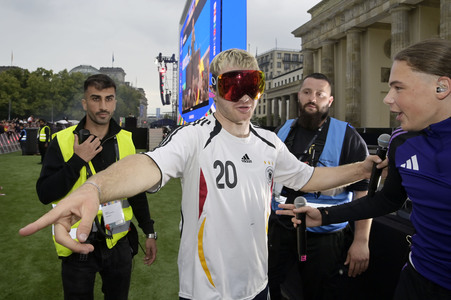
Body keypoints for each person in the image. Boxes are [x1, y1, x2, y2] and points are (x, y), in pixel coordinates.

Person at [20, 49, 381, 300]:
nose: (246, 98)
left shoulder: (269, 142)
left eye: (252, 85)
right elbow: (149, 165)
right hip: (208, 290)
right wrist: (96, 187)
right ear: (213, 91)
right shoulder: (194, 136)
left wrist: (363, 168)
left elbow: (309, 178)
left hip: (257, 283)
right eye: (232, 87)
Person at [277, 38, 451, 300]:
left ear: (442, 87)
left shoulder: (347, 135)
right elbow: (387, 200)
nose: (388, 99)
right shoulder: (402, 142)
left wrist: (360, 240)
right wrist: (324, 215)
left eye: (398, 88)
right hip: (417, 279)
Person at [35, 74, 157, 300]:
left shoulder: (126, 140)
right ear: (84, 103)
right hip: (77, 243)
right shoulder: (62, 141)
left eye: (109, 99)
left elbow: (137, 192)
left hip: (118, 238)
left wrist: (149, 231)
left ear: (115, 102)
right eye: (96, 98)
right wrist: (77, 160)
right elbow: (45, 193)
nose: (103, 106)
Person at [268, 73, 372, 300]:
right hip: (281, 230)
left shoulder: (348, 137)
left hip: (325, 237)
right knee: (268, 286)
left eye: (319, 94)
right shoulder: (282, 132)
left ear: (330, 101)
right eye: (307, 92)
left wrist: (361, 241)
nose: (312, 98)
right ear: (299, 96)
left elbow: (363, 194)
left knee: (321, 293)